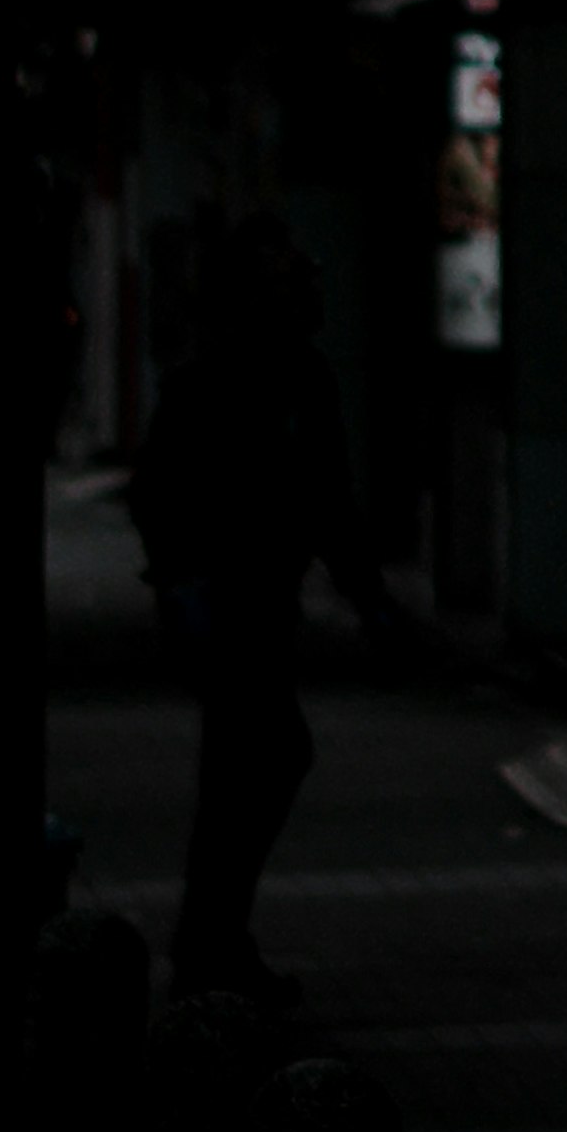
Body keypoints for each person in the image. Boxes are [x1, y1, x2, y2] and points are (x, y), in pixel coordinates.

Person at [127, 216, 406, 1002]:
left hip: (257, 600)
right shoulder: (219, 380)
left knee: (252, 765)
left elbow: (328, 500)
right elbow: (161, 490)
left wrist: (367, 595)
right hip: (228, 601)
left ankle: (211, 937)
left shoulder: (298, 378)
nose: (308, 290)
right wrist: (183, 581)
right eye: (291, 279)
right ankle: (209, 941)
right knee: (255, 761)